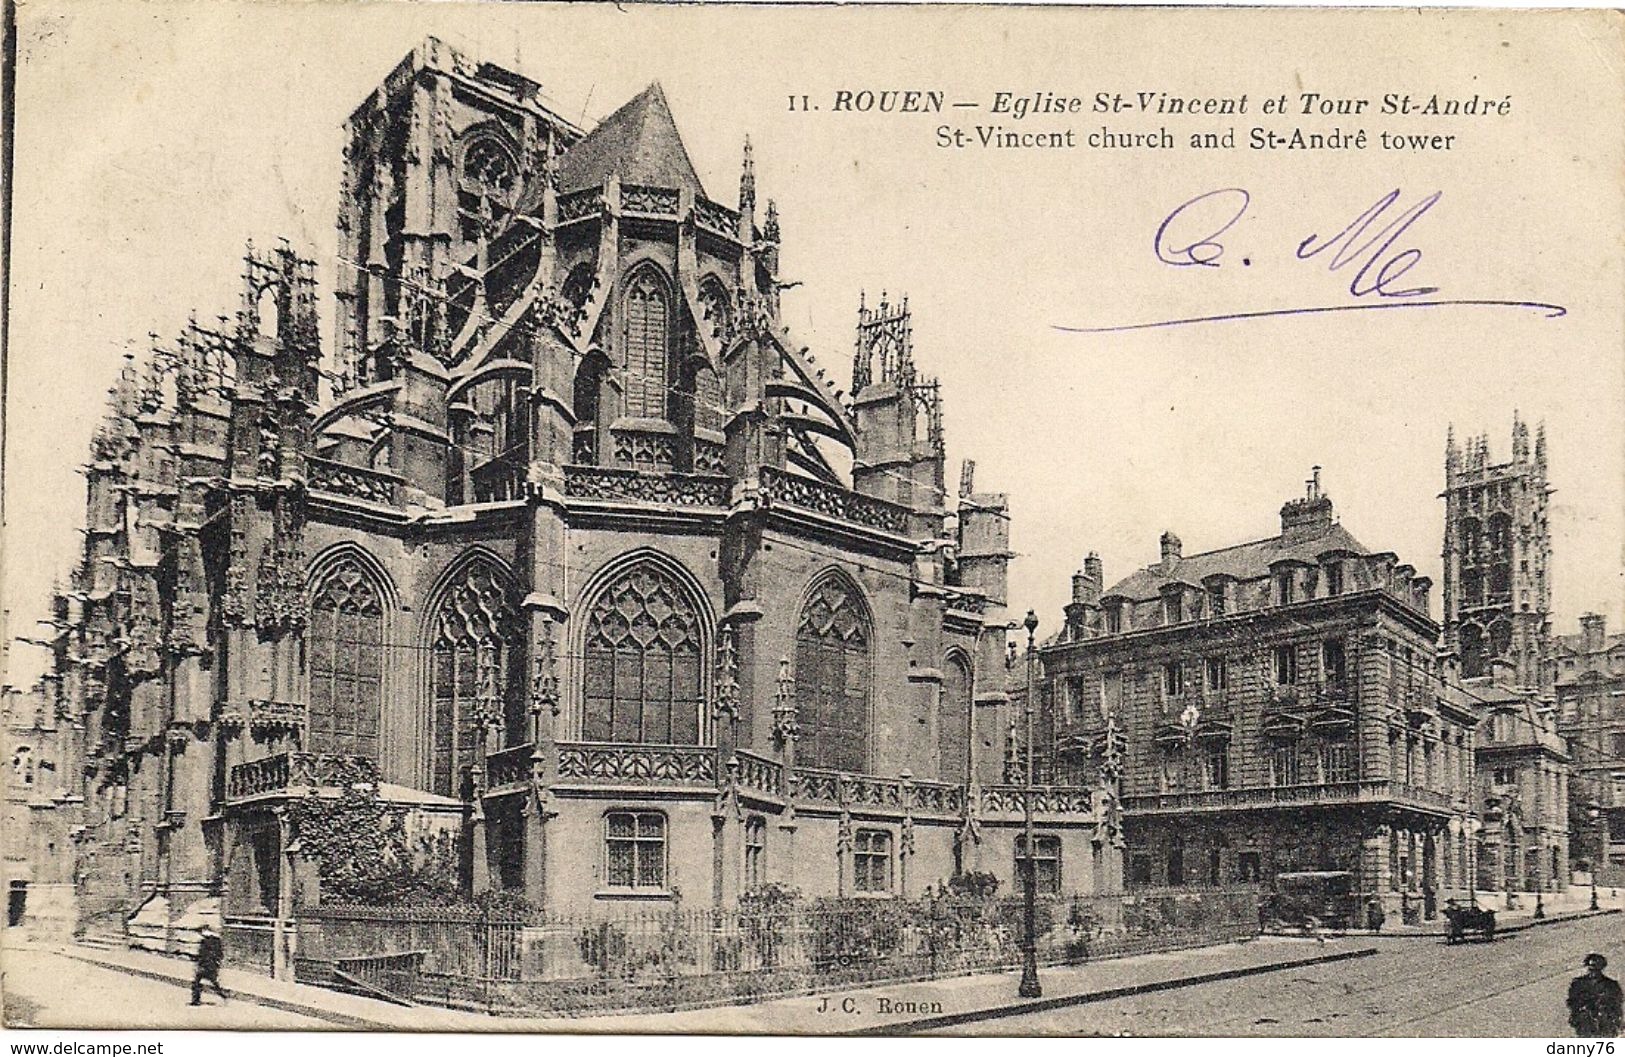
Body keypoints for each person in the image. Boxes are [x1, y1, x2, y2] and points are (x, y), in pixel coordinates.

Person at [1567, 953, 1622, 1037]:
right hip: (1586, 1022)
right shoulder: (1578, 984)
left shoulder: (1611, 985)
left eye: (1597, 968)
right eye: (1591, 968)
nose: (1594, 972)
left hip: (1606, 1023)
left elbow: (1617, 1003)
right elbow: (1572, 1002)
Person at [190, 924, 229, 1006]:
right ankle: (223, 995)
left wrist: (198, 962)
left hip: (205, 965)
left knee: (197, 982)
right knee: (213, 983)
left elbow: (201, 954)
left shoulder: (205, 942)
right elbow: (220, 955)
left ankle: (196, 1000)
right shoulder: (217, 942)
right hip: (212, 966)